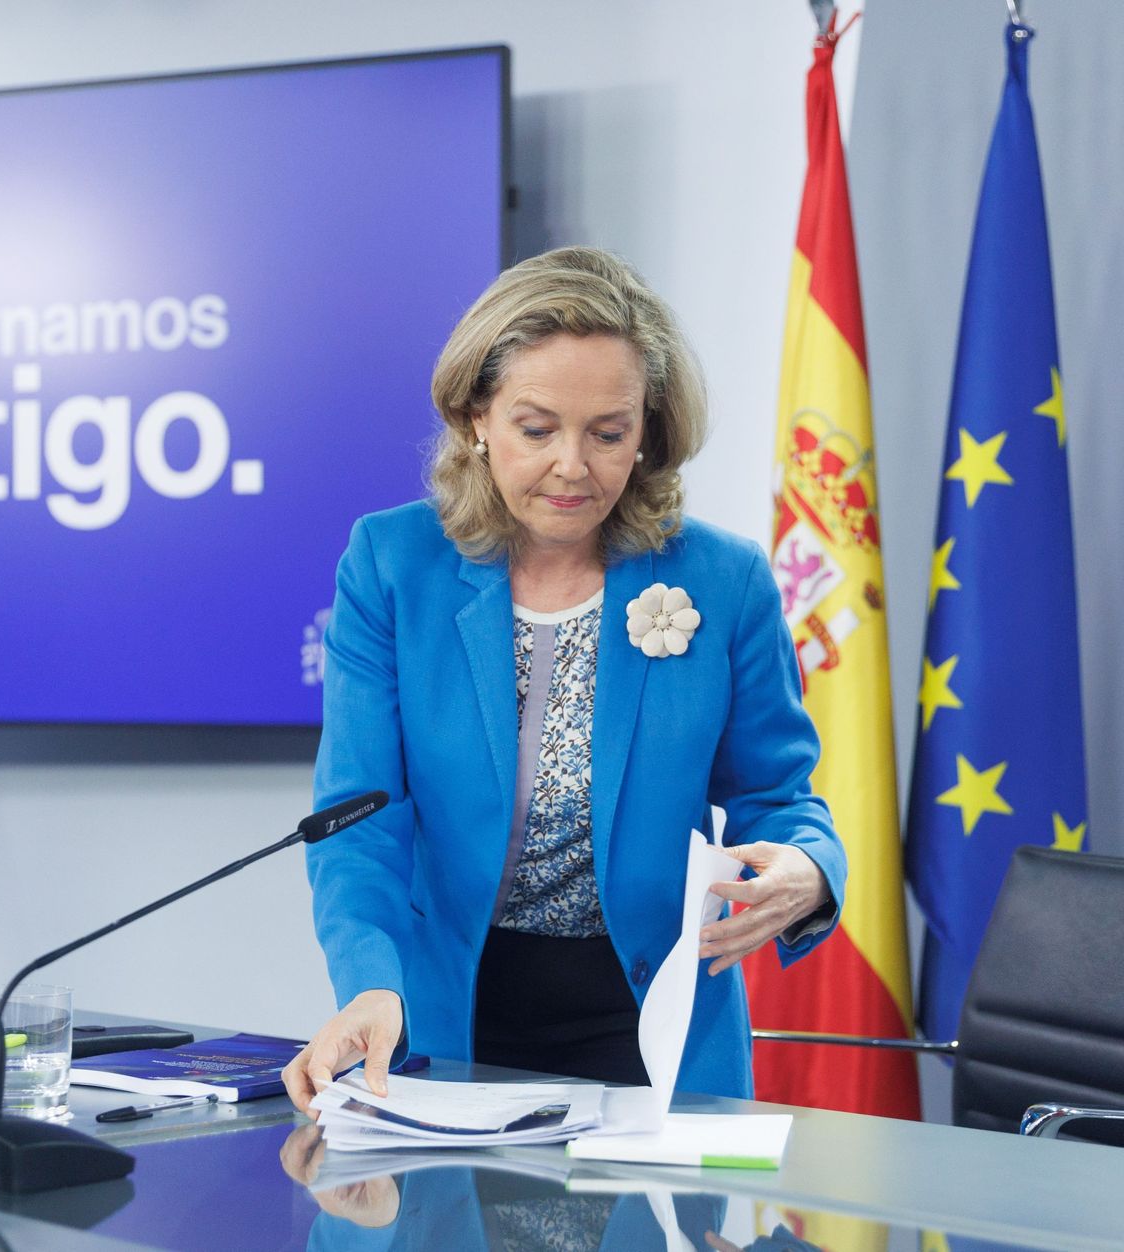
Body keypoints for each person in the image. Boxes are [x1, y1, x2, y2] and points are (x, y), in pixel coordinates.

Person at [281, 246, 845, 1115]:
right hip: (442, 1019)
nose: (573, 466)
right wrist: (369, 981)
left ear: (647, 431)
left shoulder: (723, 580)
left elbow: (779, 794)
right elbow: (360, 821)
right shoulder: (393, 566)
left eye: (608, 433)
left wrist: (809, 868)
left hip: (656, 1026)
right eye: (537, 429)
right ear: (476, 418)